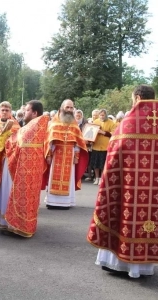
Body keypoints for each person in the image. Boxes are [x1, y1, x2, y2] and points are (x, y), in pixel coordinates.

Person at [87, 84, 157, 278]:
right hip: (154, 191)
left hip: (128, 188)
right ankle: (146, 265)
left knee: (125, 217)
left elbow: (113, 155)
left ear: (136, 98)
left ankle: (119, 263)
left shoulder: (128, 123)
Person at [5, 100, 49, 237]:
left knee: (23, 197)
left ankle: (22, 227)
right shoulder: (40, 125)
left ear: (35, 113)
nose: (24, 113)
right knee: (30, 199)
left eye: (27, 110)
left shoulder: (32, 127)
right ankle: (27, 226)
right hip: (33, 170)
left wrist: (5, 139)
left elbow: (17, 143)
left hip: (26, 170)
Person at [44, 99, 88, 209]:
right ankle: (52, 202)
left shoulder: (74, 124)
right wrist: (48, 155)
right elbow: (48, 141)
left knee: (69, 178)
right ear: (62, 108)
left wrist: (77, 156)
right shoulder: (54, 122)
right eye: (67, 107)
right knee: (54, 177)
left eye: (71, 107)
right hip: (56, 154)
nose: (69, 110)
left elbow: (78, 142)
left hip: (70, 154)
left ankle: (66, 202)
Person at [90, 109, 116, 185]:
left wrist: (102, 132)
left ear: (106, 115)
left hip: (105, 147)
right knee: (95, 164)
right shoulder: (96, 122)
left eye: (103, 115)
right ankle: (97, 178)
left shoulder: (111, 123)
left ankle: (102, 178)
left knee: (103, 164)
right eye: (100, 115)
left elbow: (113, 133)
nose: (101, 116)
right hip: (96, 146)